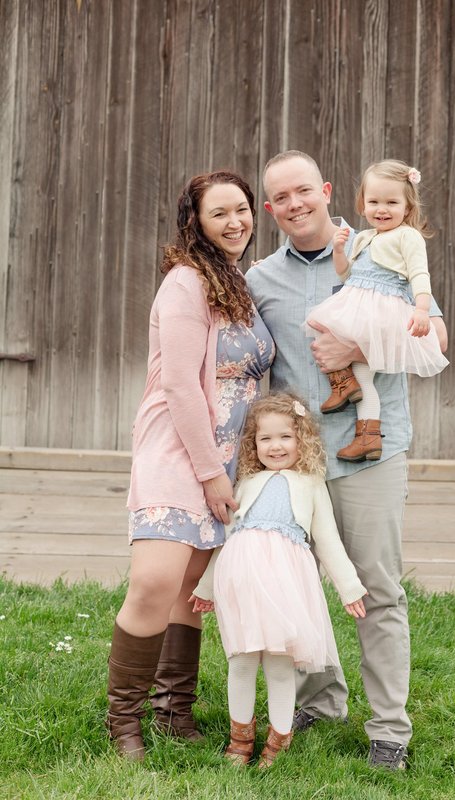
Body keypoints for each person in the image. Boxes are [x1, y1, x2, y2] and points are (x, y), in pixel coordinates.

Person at [249, 150, 447, 770]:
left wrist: (361, 343)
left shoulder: (378, 249)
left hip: (372, 452)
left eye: (303, 190)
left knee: (378, 590)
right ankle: (320, 698)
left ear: (328, 190)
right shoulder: (259, 280)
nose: (295, 204)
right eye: (280, 197)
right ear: (270, 209)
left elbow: (438, 339)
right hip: (295, 462)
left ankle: (389, 729)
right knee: (298, 582)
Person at [106, 171, 275, 760]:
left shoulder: (240, 284)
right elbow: (179, 385)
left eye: (243, 210)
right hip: (179, 450)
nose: (236, 222)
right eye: (220, 213)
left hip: (229, 455)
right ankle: (122, 721)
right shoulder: (186, 282)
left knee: (189, 588)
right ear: (195, 223)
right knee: (155, 579)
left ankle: (173, 710)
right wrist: (209, 471)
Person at [191, 393, 368, 768]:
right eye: (265, 439)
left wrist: (349, 587)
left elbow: (329, 540)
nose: (275, 446)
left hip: (286, 580)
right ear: (253, 444)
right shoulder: (245, 482)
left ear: (301, 437)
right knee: (241, 660)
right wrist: (207, 586)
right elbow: (226, 541)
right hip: (242, 577)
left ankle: (278, 741)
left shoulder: (311, 483)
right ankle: (240, 740)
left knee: (278, 662)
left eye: (285, 437)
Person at [304, 159, 448, 462]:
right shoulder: (366, 238)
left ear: (407, 208)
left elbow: (420, 275)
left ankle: (361, 420)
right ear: (363, 205)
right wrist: (340, 251)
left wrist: (422, 309)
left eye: (392, 202)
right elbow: (346, 275)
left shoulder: (408, 236)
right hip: (358, 298)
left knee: (357, 364)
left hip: (382, 308)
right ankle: (351, 400)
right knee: (322, 326)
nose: (382, 209)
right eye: (374, 202)